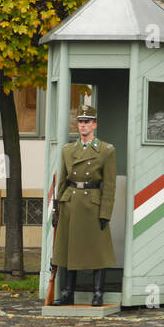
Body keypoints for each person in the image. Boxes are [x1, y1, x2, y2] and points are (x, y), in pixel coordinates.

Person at [51, 105, 117, 307]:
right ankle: (67, 292)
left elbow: (110, 185)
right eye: (80, 122)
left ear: (94, 125)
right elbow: (62, 180)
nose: (83, 125)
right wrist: (57, 208)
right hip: (70, 202)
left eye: (87, 122)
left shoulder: (106, 150)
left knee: (98, 250)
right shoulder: (68, 150)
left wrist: (106, 212)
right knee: (69, 249)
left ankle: (98, 293)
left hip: (92, 204)